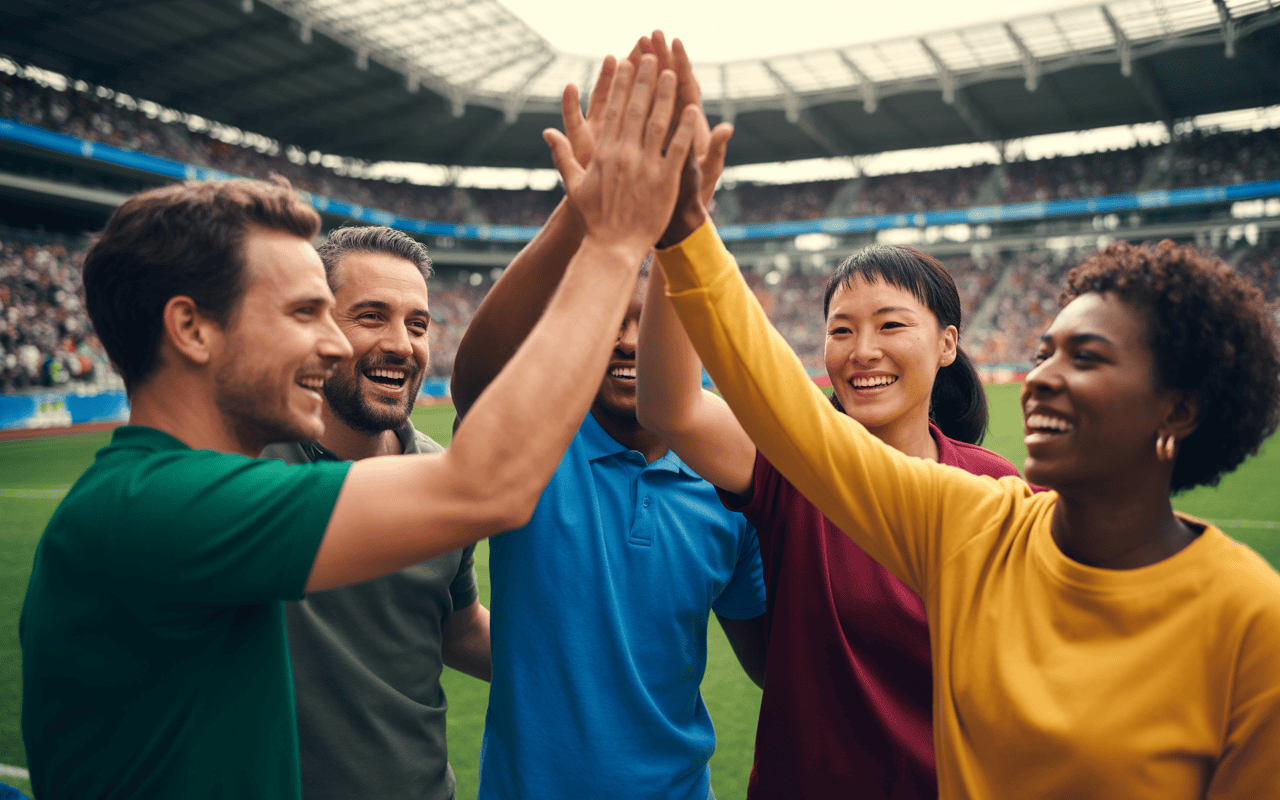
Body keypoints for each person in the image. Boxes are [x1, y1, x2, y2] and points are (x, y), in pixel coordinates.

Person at [20, 53, 700, 800]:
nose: (335, 343)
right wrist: (610, 241)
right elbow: (489, 484)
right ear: (192, 329)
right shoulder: (156, 506)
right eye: (305, 313)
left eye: (413, 321)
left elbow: (451, 617)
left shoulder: (182, 489)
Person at [647, 119, 1280, 797]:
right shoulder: (972, 518)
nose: (1041, 379)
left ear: (1179, 409)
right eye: (1044, 354)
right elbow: (780, 407)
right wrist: (685, 232)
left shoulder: (1250, 622)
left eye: (1086, 356)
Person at [450, 35, 767, 800]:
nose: (628, 340)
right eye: (611, 319)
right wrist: (585, 216)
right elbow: (478, 380)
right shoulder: (538, 438)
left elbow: (771, 659)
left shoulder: (731, 478)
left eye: (649, 320)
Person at [636, 242, 1020, 798]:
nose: (862, 351)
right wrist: (676, 235)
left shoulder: (997, 485)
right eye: (841, 331)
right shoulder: (792, 467)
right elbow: (672, 408)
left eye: (890, 326)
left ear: (947, 343)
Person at [260, 225, 489, 800]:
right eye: (371, 316)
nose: (402, 344)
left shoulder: (440, 474)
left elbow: (458, 631)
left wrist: (593, 667)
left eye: (417, 325)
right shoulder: (245, 461)